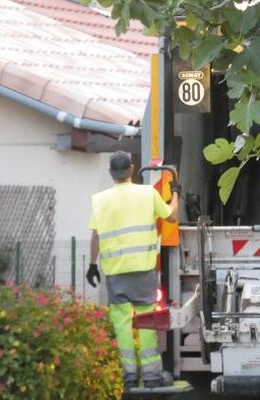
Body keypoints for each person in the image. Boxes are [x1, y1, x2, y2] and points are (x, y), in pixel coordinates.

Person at [86, 150, 180, 390]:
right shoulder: (148, 193)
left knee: (121, 322)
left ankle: (129, 375)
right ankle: (151, 375)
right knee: (147, 318)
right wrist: (176, 193)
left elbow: (95, 236)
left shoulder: (99, 200)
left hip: (115, 273)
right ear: (131, 169)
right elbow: (172, 216)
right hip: (142, 269)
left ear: (110, 173)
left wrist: (92, 265)